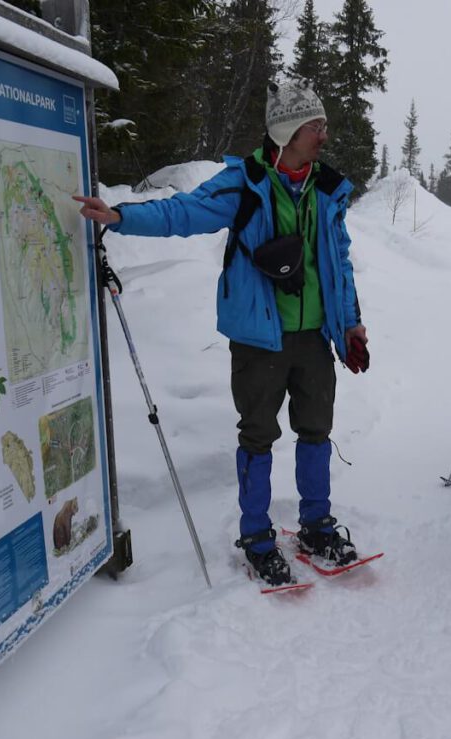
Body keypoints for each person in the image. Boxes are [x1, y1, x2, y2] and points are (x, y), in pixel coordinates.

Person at [74, 80, 367, 586]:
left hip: (315, 337)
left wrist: (351, 324)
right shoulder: (246, 182)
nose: (324, 133)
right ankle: (256, 536)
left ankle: (316, 525)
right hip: (260, 339)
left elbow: (338, 262)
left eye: (323, 124)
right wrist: (122, 217)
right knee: (257, 435)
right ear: (289, 132)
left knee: (316, 431)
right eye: (315, 126)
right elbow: (183, 211)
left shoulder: (326, 188)